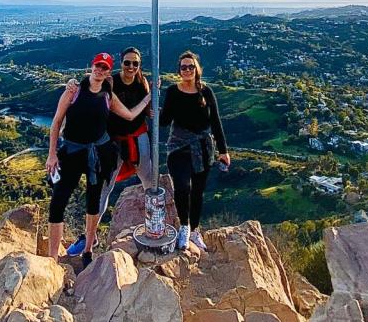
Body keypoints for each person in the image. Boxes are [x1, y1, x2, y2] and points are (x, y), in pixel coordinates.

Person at [46, 52, 151, 267]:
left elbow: (130, 115)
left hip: (99, 154)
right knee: (58, 202)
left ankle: (87, 250)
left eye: (104, 67)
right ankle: (52, 258)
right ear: (92, 66)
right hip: (72, 152)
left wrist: (150, 98)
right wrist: (52, 154)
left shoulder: (108, 94)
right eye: (98, 66)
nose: (100, 70)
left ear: (108, 71)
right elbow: (56, 123)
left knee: (93, 201)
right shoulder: (74, 91)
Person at [160, 50, 230, 252]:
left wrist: (223, 150)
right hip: (178, 147)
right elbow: (164, 122)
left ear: (197, 69)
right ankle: (184, 226)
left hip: (202, 148)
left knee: (198, 192)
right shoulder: (173, 91)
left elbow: (215, 122)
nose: (188, 70)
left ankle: (195, 231)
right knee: (182, 187)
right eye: (184, 67)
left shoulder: (206, 92)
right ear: (179, 71)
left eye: (191, 66)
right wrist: (155, 102)